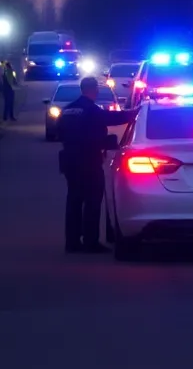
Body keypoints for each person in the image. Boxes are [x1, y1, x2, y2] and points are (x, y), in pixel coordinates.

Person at [56, 76, 138, 253]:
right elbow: (114, 118)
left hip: (70, 161)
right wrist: (136, 112)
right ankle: (90, 242)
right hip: (89, 160)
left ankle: (71, 242)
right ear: (94, 90)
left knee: (74, 201)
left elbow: (57, 131)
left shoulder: (68, 110)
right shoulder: (92, 110)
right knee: (93, 202)